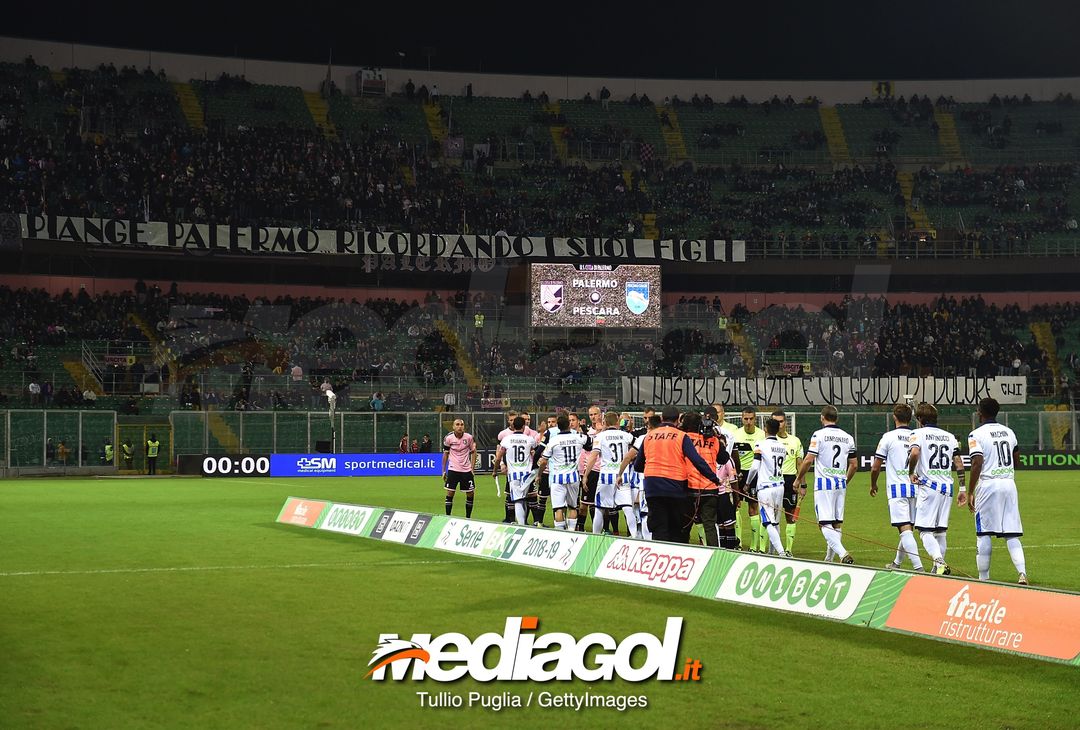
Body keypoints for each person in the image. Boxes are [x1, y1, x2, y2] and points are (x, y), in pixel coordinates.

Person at [633, 406, 726, 543]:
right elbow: (699, 460)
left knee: (663, 526)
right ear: (677, 421)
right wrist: (714, 478)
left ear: (662, 418)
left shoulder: (649, 436)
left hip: (658, 486)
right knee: (689, 526)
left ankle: (662, 556)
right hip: (680, 487)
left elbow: (638, 465)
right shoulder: (683, 437)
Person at [968, 398, 1027, 584]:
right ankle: (1022, 573)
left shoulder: (975, 434)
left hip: (988, 484)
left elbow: (977, 462)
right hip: (1009, 483)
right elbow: (1016, 460)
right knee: (1012, 532)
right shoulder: (1009, 432)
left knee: (984, 532)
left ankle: (983, 578)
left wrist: (970, 491)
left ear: (980, 412)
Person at [907, 403, 965, 576]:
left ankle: (939, 562)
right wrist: (962, 487)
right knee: (940, 532)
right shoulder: (949, 437)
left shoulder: (917, 434)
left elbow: (915, 453)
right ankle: (936, 569)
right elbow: (959, 463)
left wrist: (910, 472)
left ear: (919, 419)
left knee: (924, 531)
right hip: (947, 487)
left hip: (929, 486)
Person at [794, 405, 857, 564]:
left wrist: (798, 479)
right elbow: (854, 465)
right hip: (840, 483)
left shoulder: (819, 435)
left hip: (824, 484)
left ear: (822, 417)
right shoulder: (848, 437)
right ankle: (829, 559)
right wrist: (845, 481)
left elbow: (808, 460)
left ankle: (842, 553)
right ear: (837, 418)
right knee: (836, 522)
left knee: (823, 523)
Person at [871, 403, 924, 571]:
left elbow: (875, 466)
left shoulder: (888, 437)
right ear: (910, 419)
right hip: (916, 487)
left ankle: (918, 568)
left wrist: (873, 483)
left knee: (905, 529)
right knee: (908, 527)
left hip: (897, 489)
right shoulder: (917, 436)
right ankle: (897, 563)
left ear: (894, 417)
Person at [536, 413, 592, 530]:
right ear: (568, 425)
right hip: (573, 477)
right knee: (572, 506)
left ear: (558, 426)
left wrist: (539, 474)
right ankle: (572, 531)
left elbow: (543, 461)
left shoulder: (553, 441)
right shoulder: (578, 436)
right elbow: (590, 444)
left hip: (557, 478)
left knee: (558, 508)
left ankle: (560, 532)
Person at [584, 411, 637, 537]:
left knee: (599, 508)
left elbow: (593, 457)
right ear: (617, 422)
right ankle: (635, 537)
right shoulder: (626, 435)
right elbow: (638, 448)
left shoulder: (600, 437)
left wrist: (586, 475)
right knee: (628, 508)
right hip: (622, 476)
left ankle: (594, 536)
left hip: (606, 477)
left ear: (605, 423)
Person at [746, 418, 790, 555]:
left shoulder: (760, 444)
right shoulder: (783, 447)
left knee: (767, 522)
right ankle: (772, 554)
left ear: (765, 428)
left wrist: (747, 483)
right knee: (776, 522)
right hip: (780, 486)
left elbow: (754, 467)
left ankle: (782, 553)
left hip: (766, 488)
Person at [681, 411, 722, 547]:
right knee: (709, 525)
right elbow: (724, 458)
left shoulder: (683, 438)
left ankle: (682, 551)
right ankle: (715, 554)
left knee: (685, 524)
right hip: (710, 488)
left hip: (689, 487)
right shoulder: (713, 440)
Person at [492, 416, 538, 525]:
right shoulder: (529, 439)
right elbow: (536, 453)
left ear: (513, 426)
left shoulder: (506, 440)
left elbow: (498, 457)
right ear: (523, 426)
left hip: (514, 475)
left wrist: (495, 470)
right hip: (528, 474)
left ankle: (521, 525)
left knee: (518, 500)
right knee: (527, 498)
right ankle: (527, 522)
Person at [731, 406, 764, 550]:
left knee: (753, 508)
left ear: (755, 419)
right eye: (746, 419)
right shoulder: (735, 434)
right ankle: (737, 543)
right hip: (738, 474)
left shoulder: (761, 435)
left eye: (751, 419)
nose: (748, 422)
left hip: (755, 475)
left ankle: (753, 545)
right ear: (742, 418)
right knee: (735, 507)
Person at [773, 410, 804, 554]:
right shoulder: (769, 440)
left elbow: (800, 464)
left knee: (790, 516)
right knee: (772, 517)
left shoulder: (795, 441)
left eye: (781, 421)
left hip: (790, 480)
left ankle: (788, 550)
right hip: (774, 480)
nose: (779, 424)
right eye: (776, 422)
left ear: (786, 422)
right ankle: (773, 549)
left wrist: (802, 484)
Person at [442, 419, 477, 517]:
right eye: (457, 424)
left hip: (466, 470)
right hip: (453, 469)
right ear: (453, 427)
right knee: (450, 492)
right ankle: (447, 516)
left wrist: (472, 468)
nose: (460, 426)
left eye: (462, 424)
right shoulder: (448, 438)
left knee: (470, 493)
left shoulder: (469, 437)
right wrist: (443, 471)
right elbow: (445, 454)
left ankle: (468, 517)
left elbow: (474, 452)